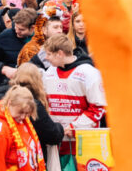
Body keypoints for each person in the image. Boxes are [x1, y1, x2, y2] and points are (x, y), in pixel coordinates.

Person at [41, 35, 106, 163]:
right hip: (57, 144)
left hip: (83, 143)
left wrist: (74, 127)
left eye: (49, 54)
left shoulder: (90, 74)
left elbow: (99, 108)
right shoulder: (49, 72)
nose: (46, 58)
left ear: (59, 53)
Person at [0, 86, 44, 171]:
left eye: (27, 113)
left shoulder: (21, 121)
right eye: (20, 112)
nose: (23, 117)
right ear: (9, 103)